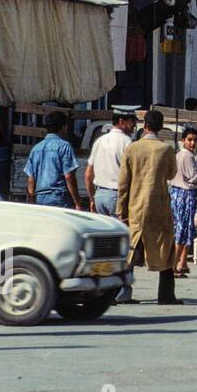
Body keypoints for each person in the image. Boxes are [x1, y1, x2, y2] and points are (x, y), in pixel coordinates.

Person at [117, 110, 183, 305]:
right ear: (161, 127)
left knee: (130, 250)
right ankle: (166, 294)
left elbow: (123, 183)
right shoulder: (167, 149)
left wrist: (121, 209)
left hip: (135, 207)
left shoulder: (132, 148)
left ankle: (123, 293)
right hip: (159, 207)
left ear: (144, 126)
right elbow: (171, 174)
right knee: (165, 248)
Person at [86, 110, 138, 301]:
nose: (134, 126)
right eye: (132, 122)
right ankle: (122, 292)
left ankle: (102, 289)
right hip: (118, 197)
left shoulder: (100, 141)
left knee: (104, 246)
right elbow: (133, 174)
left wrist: (92, 197)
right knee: (124, 246)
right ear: (122, 121)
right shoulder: (127, 143)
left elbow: (88, 174)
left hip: (100, 194)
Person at [24, 111, 81, 209]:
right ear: (64, 127)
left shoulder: (36, 148)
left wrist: (32, 201)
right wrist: (77, 203)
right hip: (59, 198)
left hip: (40, 198)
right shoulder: (64, 146)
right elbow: (69, 176)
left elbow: (31, 179)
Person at [169, 127, 197, 278]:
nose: (192, 143)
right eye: (189, 140)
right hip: (185, 194)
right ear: (183, 141)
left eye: (195, 140)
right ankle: (174, 264)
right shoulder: (187, 156)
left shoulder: (179, 155)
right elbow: (193, 178)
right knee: (182, 230)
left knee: (185, 228)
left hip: (177, 193)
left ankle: (182, 263)